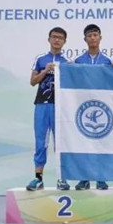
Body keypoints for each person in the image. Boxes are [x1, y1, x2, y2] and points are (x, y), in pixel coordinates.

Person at [26, 27, 71, 191]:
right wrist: (45, 71)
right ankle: (38, 178)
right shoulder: (40, 59)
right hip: (42, 105)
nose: (57, 40)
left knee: (61, 143)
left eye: (60, 38)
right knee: (41, 142)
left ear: (64, 41)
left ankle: (62, 178)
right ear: (49, 39)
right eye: (54, 37)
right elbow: (33, 81)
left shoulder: (68, 62)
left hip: (61, 107)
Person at [74, 24, 113, 191]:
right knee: (83, 142)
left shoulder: (107, 61)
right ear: (85, 39)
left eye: (95, 35)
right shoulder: (78, 61)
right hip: (83, 107)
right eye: (89, 36)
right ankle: (84, 178)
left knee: (101, 142)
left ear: (100, 38)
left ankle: (101, 178)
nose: (92, 38)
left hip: (102, 107)